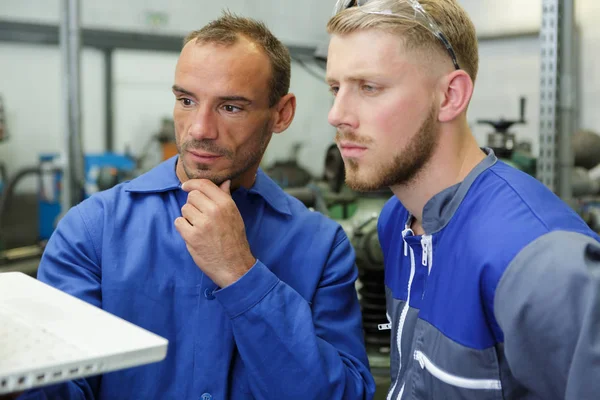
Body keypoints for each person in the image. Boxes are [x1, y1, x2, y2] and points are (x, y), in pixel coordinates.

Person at [16, 12, 376, 400]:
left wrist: (242, 274)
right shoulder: (92, 230)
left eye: (230, 107)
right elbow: (55, 384)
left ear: (281, 114)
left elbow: (342, 395)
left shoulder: (321, 246)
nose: (200, 129)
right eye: (186, 100)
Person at [325, 0, 600, 399]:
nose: (337, 114)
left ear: (451, 96)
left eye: (369, 87)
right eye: (336, 88)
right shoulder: (397, 221)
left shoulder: (541, 264)